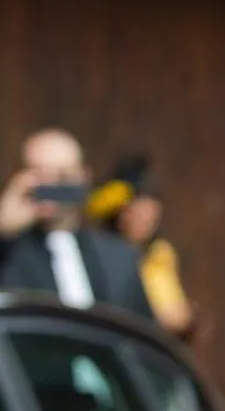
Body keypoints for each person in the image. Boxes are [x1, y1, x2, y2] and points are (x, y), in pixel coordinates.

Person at [0, 129, 153, 320]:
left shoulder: (119, 259)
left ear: (83, 178)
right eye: (38, 174)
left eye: (61, 176)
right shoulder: (9, 256)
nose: (50, 185)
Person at [87, 153, 197, 339]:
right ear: (122, 211)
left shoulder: (159, 254)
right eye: (140, 208)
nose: (148, 217)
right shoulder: (99, 257)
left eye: (152, 210)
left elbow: (173, 309)